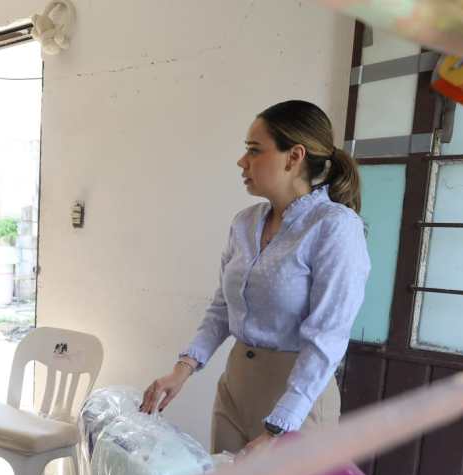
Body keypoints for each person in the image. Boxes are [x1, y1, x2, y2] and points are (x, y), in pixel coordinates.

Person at [141, 100, 370, 455]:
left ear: (294, 157)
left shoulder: (335, 227)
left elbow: (328, 338)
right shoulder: (245, 222)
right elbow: (222, 307)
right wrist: (182, 369)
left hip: (298, 403)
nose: (241, 161)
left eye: (253, 150)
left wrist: (280, 427)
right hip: (235, 390)